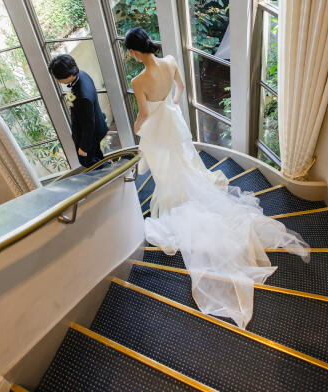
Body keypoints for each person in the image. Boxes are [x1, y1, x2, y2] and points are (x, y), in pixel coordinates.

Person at [125, 27, 310, 329]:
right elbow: (180, 88)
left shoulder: (138, 81)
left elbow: (144, 114)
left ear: (134, 52)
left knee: (166, 167)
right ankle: (187, 192)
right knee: (185, 160)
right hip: (173, 121)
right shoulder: (170, 61)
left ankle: (177, 196)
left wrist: (137, 127)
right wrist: (171, 105)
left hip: (158, 127)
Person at [49, 54, 108, 169]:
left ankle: (108, 174)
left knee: (87, 162)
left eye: (58, 77)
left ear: (68, 74)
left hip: (92, 133)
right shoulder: (82, 74)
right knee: (96, 155)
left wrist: (84, 147)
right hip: (97, 124)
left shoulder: (83, 97)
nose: (57, 80)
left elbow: (88, 126)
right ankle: (106, 168)